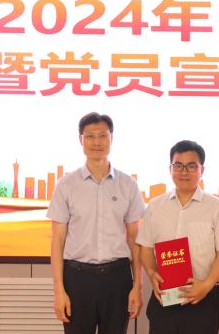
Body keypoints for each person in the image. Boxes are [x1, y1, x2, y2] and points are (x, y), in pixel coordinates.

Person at [47, 112, 145, 334]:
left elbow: (134, 238)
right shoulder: (66, 185)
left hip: (117, 278)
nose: (96, 142)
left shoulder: (128, 185)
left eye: (102, 135)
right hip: (77, 278)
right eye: (90, 136)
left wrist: (137, 286)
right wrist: (59, 290)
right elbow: (58, 241)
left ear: (112, 139)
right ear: (80, 140)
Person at [136, 140, 219, 334]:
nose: (184, 172)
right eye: (178, 166)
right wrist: (151, 272)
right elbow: (146, 246)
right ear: (170, 169)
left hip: (202, 298)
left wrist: (207, 284)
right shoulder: (155, 207)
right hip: (164, 296)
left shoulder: (217, 208)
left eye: (191, 166)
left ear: (202, 170)